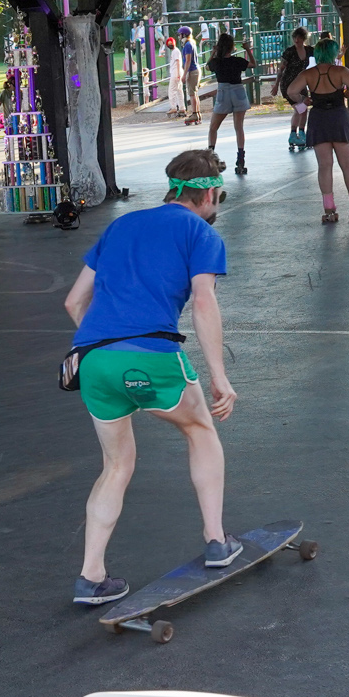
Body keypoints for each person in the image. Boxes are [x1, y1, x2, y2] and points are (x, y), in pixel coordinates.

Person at [63, 149, 237, 606]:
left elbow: (73, 302)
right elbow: (203, 302)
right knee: (200, 429)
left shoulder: (121, 226)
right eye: (219, 195)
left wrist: (107, 347)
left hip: (94, 360)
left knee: (116, 465)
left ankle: (91, 577)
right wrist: (219, 376)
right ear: (208, 193)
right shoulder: (201, 233)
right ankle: (216, 540)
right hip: (151, 355)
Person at [284, 36, 349, 222]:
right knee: (348, 164)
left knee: (324, 166)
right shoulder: (340, 71)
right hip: (339, 118)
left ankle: (329, 208)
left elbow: (291, 91)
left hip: (319, 119)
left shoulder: (308, 74)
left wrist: (304, 100)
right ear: (333, 53)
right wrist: (348, 92)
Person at [204, 33, 256, 173]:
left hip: (223, 92)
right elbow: (253, 64)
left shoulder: (217, 62)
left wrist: (213, 52)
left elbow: (207, 66)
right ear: (232, 47)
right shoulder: (238, 61)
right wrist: (247, 49)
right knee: (239, 127)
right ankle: (241, 159)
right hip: (238, 91)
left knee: (213, 127)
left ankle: (211, 157)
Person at [275, 27, 312, 149]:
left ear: (304, 38)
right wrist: (276, 85)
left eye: (299, 38)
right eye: (295, 37)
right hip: (288, 84)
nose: (297, 40)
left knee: (301, 109)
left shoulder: (310, 50)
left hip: (300, 84)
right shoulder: (289, 52)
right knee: (301, 108)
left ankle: (297, 133)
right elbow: (281, 69)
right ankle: (297, 133)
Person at [174, 27, 201, 125]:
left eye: (180, 34)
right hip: (195, 69)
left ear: (184, 35)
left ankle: (195, 114)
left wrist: (184, 74)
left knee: (192, 94)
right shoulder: (191, 43)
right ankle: (197, 113)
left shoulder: (188, 45)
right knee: (195, 93)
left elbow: (188, 60)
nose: (179, 36)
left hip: (192, 71)